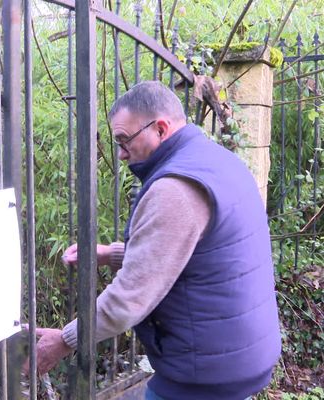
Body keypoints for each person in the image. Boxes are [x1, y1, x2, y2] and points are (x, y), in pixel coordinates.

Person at [33, 81, 281, 400]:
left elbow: (128, 298)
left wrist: (65, 340)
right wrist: (111, 254)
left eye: (124, 140)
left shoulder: (175, 189)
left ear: (161, 128)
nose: (121, 154)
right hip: (238, 355)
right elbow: (193, 252)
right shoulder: (218, 161)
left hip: (203, 377)